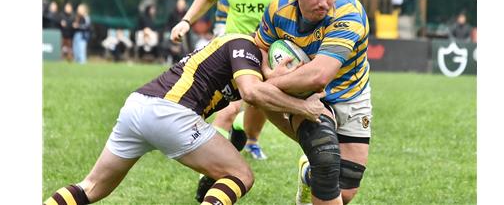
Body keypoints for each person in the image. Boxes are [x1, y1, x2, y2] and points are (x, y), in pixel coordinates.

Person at [43, 33, 326, 205]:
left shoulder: (251, 71)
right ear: (277, 58)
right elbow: (253, 93)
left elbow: (265, 100)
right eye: (289, 70)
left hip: (137, 107)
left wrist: (311, 144)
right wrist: (305, 108)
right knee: (240, 175)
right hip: (170, 113)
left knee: (91, 188)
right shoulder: (245, 46)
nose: (288, 79)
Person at [175, 0, 296, 162]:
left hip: (269, 51)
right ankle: (213, 170)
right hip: (236, 50)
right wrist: (186, 21)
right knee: (227, 110)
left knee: (260, 104)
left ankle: (245, 131)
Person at [255, 0, 373, 205]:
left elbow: (319, 76)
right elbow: (260, 48)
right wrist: (268, 72)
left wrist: (266, 86)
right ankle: (317, 167)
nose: (324, 3)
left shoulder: (348, 14)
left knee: (346, 190)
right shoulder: (279, 7)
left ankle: (309, 175)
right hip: (305, 96)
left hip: (351, 93)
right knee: (326, 158)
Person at [163, 0, 190, 64]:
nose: (181, 6)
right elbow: (168, 25)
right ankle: (167, 57)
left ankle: (186, 57)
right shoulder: (172, 13)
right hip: (172, 31)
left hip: (183, 33)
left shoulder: (187, 14)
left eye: (182, 5)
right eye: (179, 4)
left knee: (185, 39)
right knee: (166, 37)